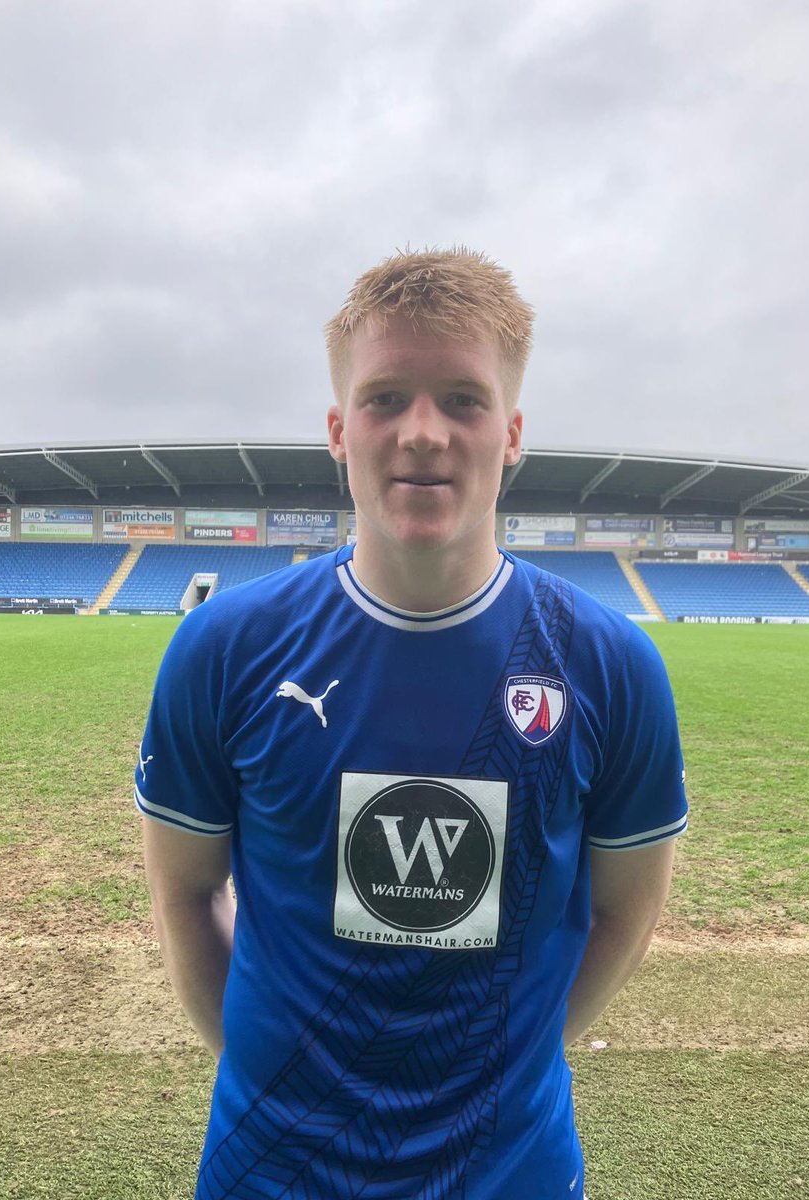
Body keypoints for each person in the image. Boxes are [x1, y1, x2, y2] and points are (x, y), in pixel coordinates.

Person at [135, 248, 688, 1200]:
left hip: (511, 1172)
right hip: (273, 1173)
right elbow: (187, 896)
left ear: (511, 433)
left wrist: (517, 1063)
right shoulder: (221, 651)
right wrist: (276, 1074)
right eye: (386, 397)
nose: (424, 433)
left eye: (463, 400)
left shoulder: (609, 666)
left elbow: (624, 912)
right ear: (338, 431)